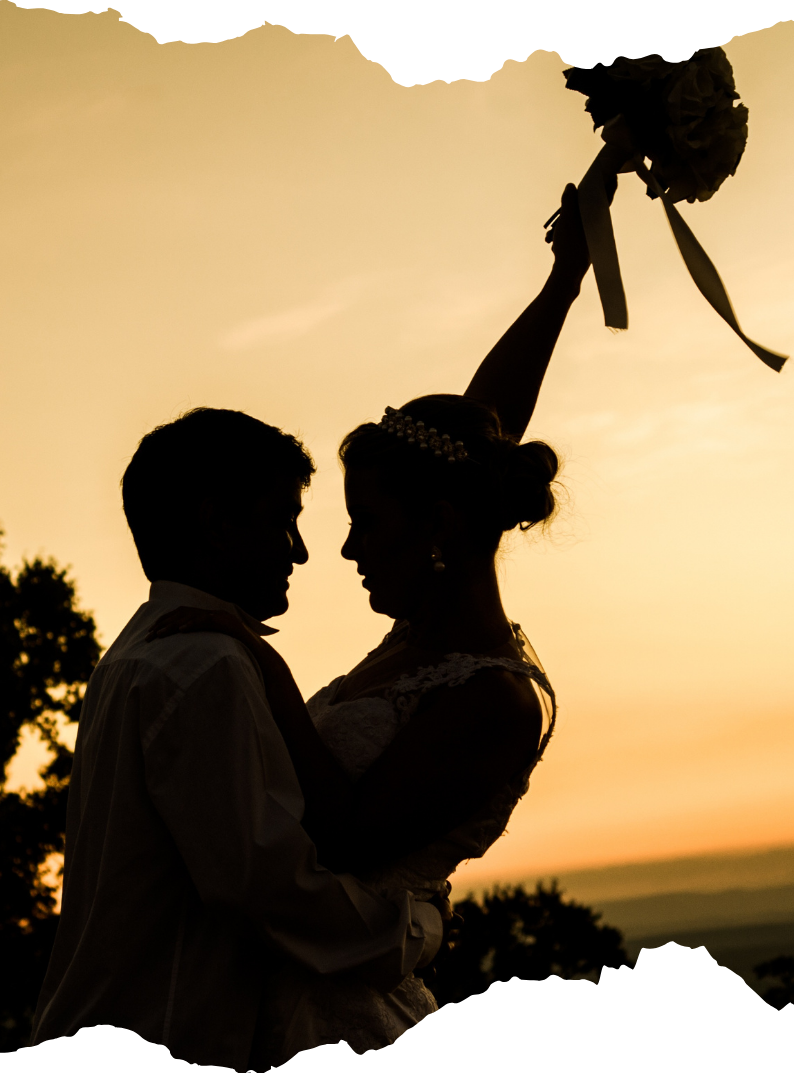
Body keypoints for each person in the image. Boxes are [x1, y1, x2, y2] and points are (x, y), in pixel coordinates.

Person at [145, 181, 606, 1070]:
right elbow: (483, 425)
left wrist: (257, 662)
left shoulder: (496, 700)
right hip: (253, 994)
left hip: (337, 1027)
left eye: (365, 520)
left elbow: (348, 833)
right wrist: (563, 283)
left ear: (437, 528)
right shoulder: (415, 638)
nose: (348, 548)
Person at [28, 408, 446, 1071]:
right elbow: (264, 887)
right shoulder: (206, 665)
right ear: (217, 524)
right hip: (161, 1049)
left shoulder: (133, 654)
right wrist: (418, 929)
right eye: (283, 520)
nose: (299, 551)